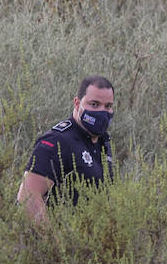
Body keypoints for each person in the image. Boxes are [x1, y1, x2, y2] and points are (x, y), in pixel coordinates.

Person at [17, 76, 115, 224]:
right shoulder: (57, 141)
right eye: (94, 104)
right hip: (61, 242)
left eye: (108, 106)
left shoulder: (103, 142)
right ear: (77, 103)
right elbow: (28, 196)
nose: (102, 112)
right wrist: (55, 243)